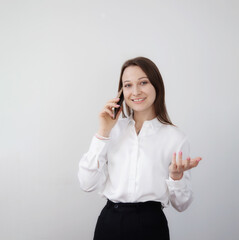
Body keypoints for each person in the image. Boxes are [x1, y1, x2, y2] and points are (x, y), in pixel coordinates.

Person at [78, 56, 202, 240]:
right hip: (110, 223)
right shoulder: (111, 131)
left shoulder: (175, 137)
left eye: (143, 82)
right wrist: (103, 132)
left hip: (150, 226)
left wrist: (176, 177)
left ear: (156, 86)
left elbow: (181, 204)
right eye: (127, 85)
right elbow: (87, 184)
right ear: (121, 92)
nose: (135, 91)